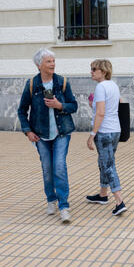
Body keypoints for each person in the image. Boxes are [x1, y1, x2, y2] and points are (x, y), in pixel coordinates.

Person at [18, 48, 78, 223]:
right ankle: (51, 199)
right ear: (39, 65)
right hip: (40, 135)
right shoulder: (32, 85)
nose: (53, 64)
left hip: (62, 133)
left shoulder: (62, 82)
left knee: (59, 166)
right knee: (47, 169)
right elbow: (22, 111)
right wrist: (28, 131)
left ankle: (64, 206)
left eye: (53, 61)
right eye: (49, 61)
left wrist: (60, 105)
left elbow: (73, 105)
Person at [85, 59, 127, 216]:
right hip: (115, 130)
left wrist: (92, 135)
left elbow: (101, 113)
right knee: (104, 162)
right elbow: (119, 104)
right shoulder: (113, 85)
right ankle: (103, 195)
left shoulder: (101, 87)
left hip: (104, 132)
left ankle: (119, 201)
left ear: (103, 72)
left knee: (108, 165)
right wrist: (94, 105)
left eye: (94, 69)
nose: (91, 72)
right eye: (91, 69)